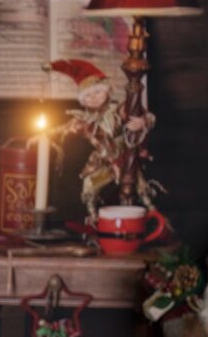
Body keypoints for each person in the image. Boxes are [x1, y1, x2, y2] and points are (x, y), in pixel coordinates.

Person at [48, 59, 157, 221]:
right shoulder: (84, 120)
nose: (93, 98)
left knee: (139, 183)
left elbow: (148, 116)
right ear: (83, 100)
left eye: (97, 92)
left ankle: (152, 210)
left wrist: (143, 122)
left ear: (107, 91)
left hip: (124, 154)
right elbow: (62, 129)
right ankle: (92, 216)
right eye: (88, 96)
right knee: (89, 183)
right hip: (102, 159)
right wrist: (44, 134)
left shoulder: (118, 110)